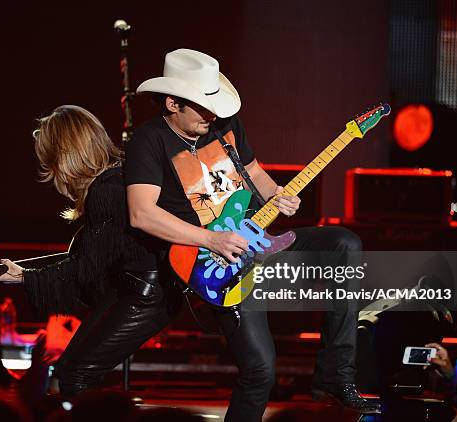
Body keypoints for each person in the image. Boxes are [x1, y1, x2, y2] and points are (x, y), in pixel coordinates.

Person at [125, 48, 381, 419]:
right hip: (214, 260)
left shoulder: (225, 126)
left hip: (257, 239)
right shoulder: (150, 142)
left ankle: (334, 376)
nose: (212, 114)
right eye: (201, 106)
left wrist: (276, 193)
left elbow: (254, 172)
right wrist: (212, 239)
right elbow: (141, 214)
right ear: (172, 103)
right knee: (260, 371)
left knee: (344, 244)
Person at [0, 105, 176, 397]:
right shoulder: (119, 178)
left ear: (64, 157)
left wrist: (27, 279)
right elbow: (92, 261)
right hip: (140, 287)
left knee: (75, 372)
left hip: (144, 293)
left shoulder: (106, 190)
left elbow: (87, 272)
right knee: (73, 369)